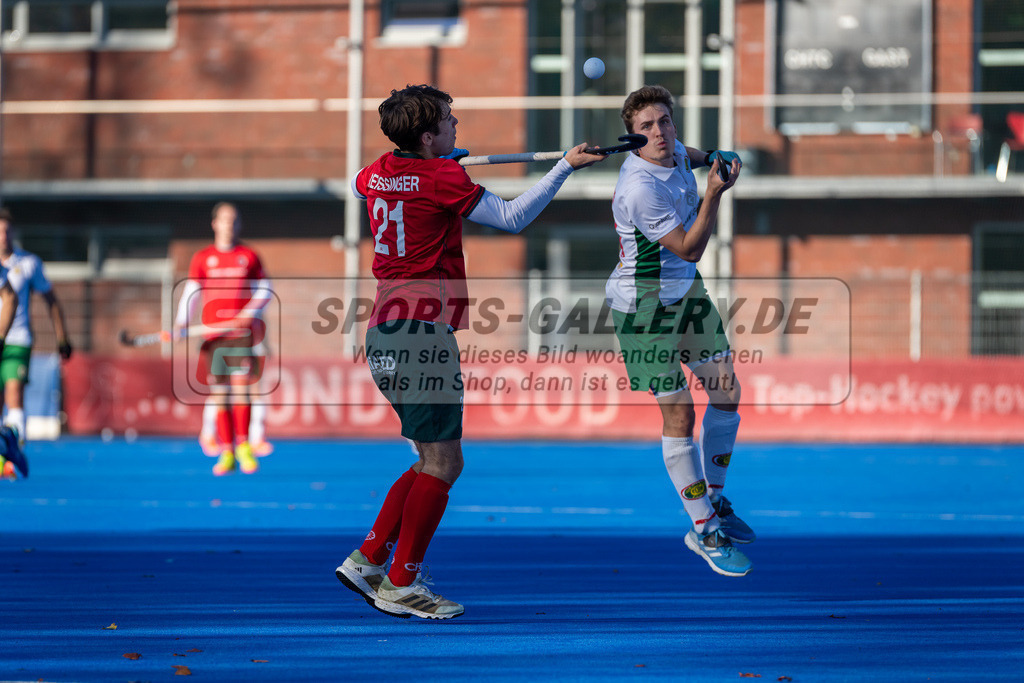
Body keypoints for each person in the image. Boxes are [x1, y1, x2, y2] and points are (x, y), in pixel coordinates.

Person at [336, 84, 607, 620]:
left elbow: (361, 185)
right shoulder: (440, 177)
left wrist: (433, 165)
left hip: (385, 331)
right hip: (420, 333)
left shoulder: (376, 171)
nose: (457, 126)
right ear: (427, 133)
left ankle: (369, 558)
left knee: (427, 457)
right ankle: (400, 582)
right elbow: (510, 218)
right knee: (444, 460)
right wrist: (564, 168)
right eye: (448, 121)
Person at [604, 85, 754, 577]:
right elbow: (690, 247)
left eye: (664, 120)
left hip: (686, 295)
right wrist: (713, 192)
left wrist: (711, 156)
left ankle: (714, 500)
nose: (660, 132)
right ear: (632, 139)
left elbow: (687, 151)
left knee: (728, 391)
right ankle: (704, 530)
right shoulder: (639, 188)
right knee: (680, 414)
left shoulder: (673, 150)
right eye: (646, 127)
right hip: (643, 310)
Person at [174, 202, 272, 477]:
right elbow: (191, 293)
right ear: (214, 224)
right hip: (213, 336)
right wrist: (181, 322)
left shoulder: (249, 256)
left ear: (239, 225)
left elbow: (266, 289)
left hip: (240, 335)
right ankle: (226, 450)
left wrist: (248, 313)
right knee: (220, 395)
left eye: (234, 220)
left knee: (241, 390)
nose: (229, 225)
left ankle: (243, 446)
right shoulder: (203, 258)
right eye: (225, 220)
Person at [0, 209, 71, 480]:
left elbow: (46, 300)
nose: (3, 236)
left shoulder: (28, 263)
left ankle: (14, 448)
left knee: (14, 393)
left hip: (17, 340)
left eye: (7, 231)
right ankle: (6, 453)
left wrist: (62, 337)